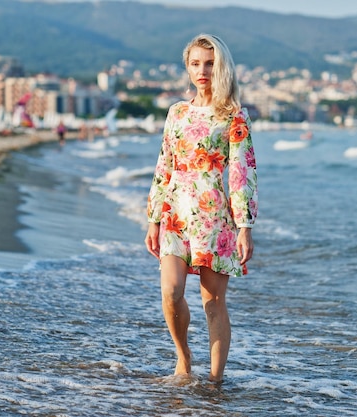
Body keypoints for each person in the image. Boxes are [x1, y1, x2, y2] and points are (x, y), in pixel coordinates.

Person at [145, 33, 258, 383]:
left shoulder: (233, 116)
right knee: (170, 291)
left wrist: (244, 227)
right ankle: (183, 356)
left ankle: (215, 381)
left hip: (214, 219)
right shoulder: (176, 112)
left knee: (212, 302)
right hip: (175, 215)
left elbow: (242, 173)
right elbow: (165, 163)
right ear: (188, 68)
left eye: (209, 63)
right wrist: (153, 218)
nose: (202, 70)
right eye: (195, 63)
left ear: (220, 66)